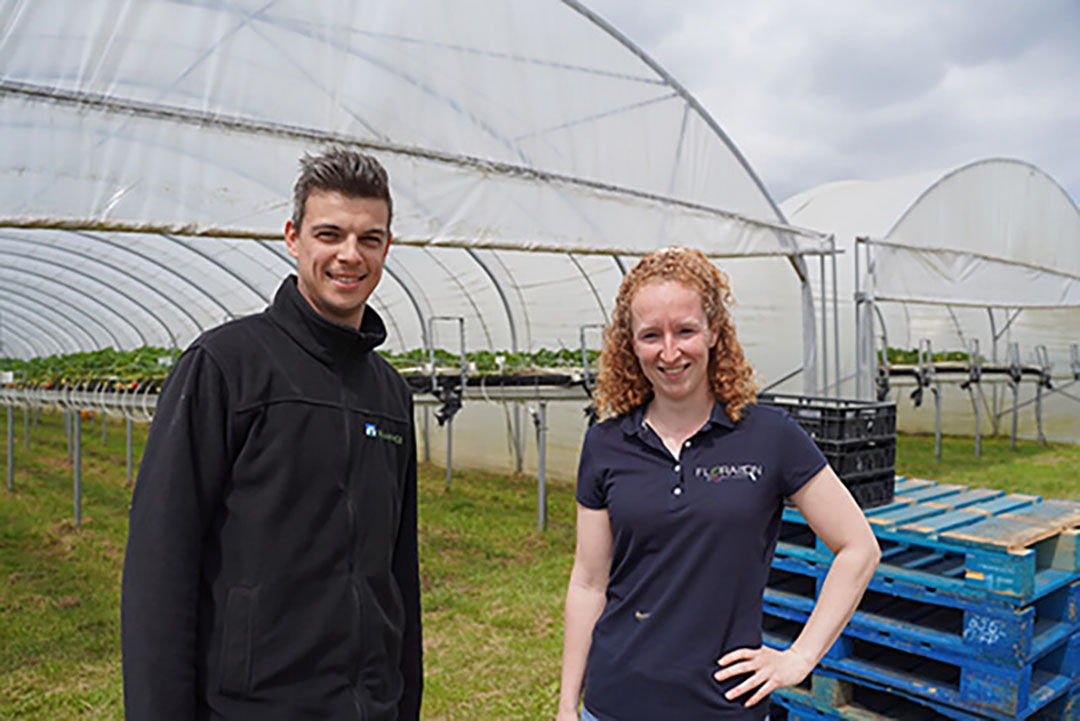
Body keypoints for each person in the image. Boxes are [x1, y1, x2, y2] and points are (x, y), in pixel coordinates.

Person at [122, 149, 422, 721]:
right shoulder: (226, 366)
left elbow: (397, 574)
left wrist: (404, 702)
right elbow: (160, 568)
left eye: (370, 238)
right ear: (293, 237)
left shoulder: (389, 394)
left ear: (387, 246)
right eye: (329, 234)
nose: (349, 255)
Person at [558, 247, 880, 721]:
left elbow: (859, 547)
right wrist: (568, 707)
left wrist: (799, 657)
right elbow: (589, 583)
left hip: (723, 707)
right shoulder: (605, 444)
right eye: (651, 335)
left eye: (685, 330)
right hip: (614, 704)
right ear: (631, 343)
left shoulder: (771, 437)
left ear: (713, 331)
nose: (670, 352)